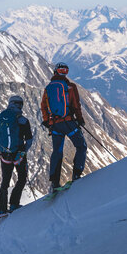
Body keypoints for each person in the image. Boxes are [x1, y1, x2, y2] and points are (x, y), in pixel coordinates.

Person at [41, 62, 87, 192]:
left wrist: (47, 121)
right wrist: (79, 119)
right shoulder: (70, 86)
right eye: (63, 70)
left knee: (57, 151)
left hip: (55, 126)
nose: (64, 72)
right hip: (68, 123)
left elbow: (43, 106)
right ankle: (76, 175)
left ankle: (54, 182)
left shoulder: (48, 87)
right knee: (81, 146)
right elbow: (76, 105)